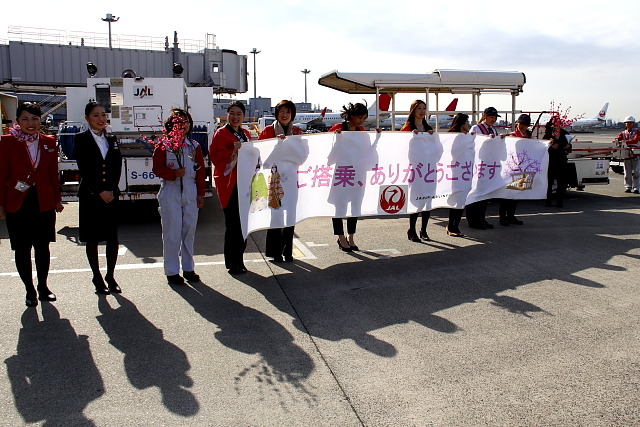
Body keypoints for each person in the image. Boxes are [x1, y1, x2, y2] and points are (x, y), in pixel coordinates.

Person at [0, 103, 64, 307]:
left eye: (35, 119)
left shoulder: (49, 141)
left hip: (42, 200)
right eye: (25, 119)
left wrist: (57, 198)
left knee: (42, 247)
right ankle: (29, 289)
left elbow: (53, 173)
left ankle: (43, 286)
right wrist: (1, 204)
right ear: (17, 121)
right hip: (18, 202)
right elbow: (1, 176)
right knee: (22, 248)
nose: (31, 123)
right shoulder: (6, 142)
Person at [152, 109, 206, 285]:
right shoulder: (164, 145)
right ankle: (172, 271)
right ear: (171, 125)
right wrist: (173, 173)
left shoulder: (194, 146)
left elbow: (200, 171)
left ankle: (189, 268)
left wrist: (200, 193)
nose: (182, 126)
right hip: (171, 190)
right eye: (178, 122)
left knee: (189, 232)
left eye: (186, 122)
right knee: (172, 233)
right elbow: (157, 168)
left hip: (189, 190)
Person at [74, 102, 123, 294]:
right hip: (91, 195)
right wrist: (99, 190)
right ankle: (97, 276)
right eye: (96, 115)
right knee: (92, 239)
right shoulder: (81, 139)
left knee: (112, 238)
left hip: (110, 195)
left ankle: (110, 276)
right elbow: (84, 168)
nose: (101, 119)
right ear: (87, 118)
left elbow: (117, 166)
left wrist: (111, 190)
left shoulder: (112, 138)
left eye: (103, 115)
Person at [210, 101, 252, 274]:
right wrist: (233, 152)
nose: (235, 117)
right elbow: (216, 156)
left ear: (243, 116)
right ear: (227, 114)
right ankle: (232, 262)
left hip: (244, 184)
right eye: (232, 113)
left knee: (243, 225)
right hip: (230, 185)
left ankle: (240, 259)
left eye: (239, 114)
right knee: (233, 225)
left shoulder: (246, 133)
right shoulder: (221, 133)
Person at [259, 100, 303, 262]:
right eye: (282, 111)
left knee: (290, 215)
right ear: (276, 113)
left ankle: (288, 250)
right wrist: (275, 144)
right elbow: (262, 156)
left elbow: (302, 155)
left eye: (288, 112)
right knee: (276, 215)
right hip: (273, 179)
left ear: (292, 115)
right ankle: (275, 251)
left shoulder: (297, 131)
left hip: (291, 178)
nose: (285, 115)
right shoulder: (268, 131)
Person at [328, 102, 369, 252]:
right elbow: (327, 148)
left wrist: (376, 138)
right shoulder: (338, 128)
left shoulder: (362, 131)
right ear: (351, 115)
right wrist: (335, 137)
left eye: (364, 118)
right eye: (360, 117)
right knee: (340, 206)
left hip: (358, 173)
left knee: (355, 206)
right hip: (342, 173)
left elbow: (367, 150)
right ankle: (340, 237)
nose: (361, 121)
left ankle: (351, 236)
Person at [401, 100, 434, 242]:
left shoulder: (428, 128)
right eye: (419, 108)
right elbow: (400, 146)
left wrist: (432, 137)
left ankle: (424, 229)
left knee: (428, 200)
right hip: (414, 169)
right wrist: (409, 137)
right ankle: (412, 229)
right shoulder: (408, 128)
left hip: (428, 169)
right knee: (416, 200)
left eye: (424, 108)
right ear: (413, 110)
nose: (422, 111)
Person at [466, 107, 500, 229]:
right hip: (477, 165)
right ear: (485, 116)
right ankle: (473, 220)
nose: (493, 120)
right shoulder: (476, 128)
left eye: (495, 118)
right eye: (491, 117)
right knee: (475, 194)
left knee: (485, 195)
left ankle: (481, 218)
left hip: (488, 165)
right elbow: (471, 143)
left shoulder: (493, 130)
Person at [498, 114, 529, 226]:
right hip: (511, 168)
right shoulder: (512, 135)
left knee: (515, 195)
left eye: (525, 124)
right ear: (517, 123)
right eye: (521, 124)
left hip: (522, 168)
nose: (522, 126)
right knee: (506, 194)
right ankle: (502, 217)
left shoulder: (527, 135)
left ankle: (511, 216)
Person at [445, 113, 470, 237]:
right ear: (462, 123)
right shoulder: (453, 136)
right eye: (467, 122)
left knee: (461, 200)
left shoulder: (468, 137)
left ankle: (456, 225)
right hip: (455, 172)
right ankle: (451, 226)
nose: (468, 124)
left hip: (465, 172)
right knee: (456, 199)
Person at [543, 117, 572, 207]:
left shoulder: (564, 133)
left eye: (559, 123)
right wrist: (551, 146)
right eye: (555, 123)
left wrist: (568, 146)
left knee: (562, 182)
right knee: (549, 182)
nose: (557, 125)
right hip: (551, 161)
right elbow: (543, 146)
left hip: (562, 160)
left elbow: (569, 147)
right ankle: (548, 201)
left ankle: (559, 201)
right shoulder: (548, 134)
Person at [615, 116, 640, 194]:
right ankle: (628, 187)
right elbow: (617, 139)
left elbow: (635, 140)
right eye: (627, 123)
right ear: (625, 124)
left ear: (633, 124)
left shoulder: (637, 132)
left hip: (636, 154)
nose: (629, 124)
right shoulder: (623, 133)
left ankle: (636, 188)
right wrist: (617, 142)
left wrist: (624, 142)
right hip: (626, 154)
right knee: (627, 172)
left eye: (630, 123)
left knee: (636, 172)